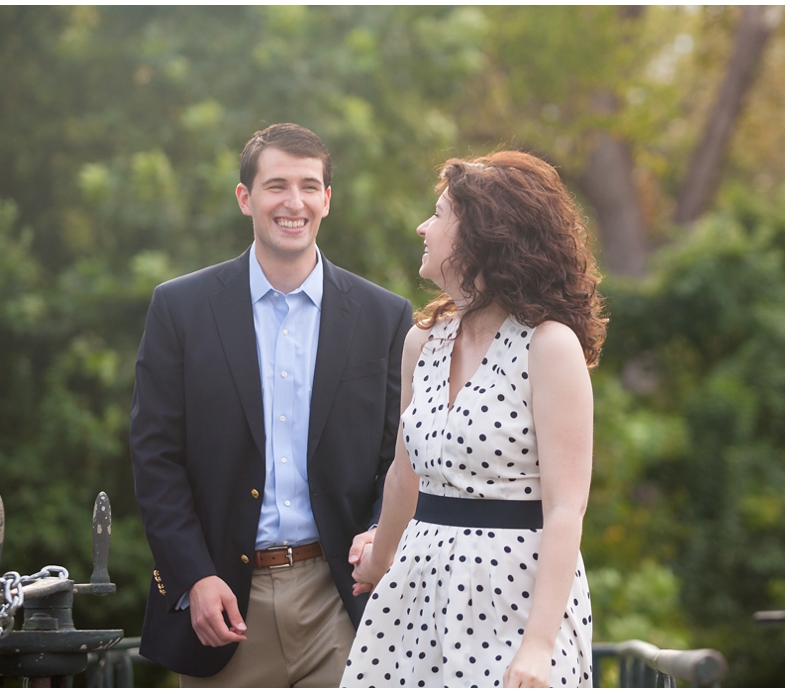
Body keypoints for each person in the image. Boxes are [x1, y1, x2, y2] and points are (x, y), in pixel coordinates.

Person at [130, 123, 413, 686]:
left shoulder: (386, 318)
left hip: (343, 599)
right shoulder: (180, 308)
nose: (294, 202)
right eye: (276, 185)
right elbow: (155, 456)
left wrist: (380, 537)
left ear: (327, 201)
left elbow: (401, 456)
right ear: (246, 198)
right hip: (226, 604)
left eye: (309, 186)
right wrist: (192, 577)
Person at [341, 151, 607, 688]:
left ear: (481, 236)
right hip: (415, 592)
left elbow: (565, 508)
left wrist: (537, 647)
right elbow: (404, 474)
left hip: (512, 597)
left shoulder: (549, 345)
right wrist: (380, 556)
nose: (423, 226)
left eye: (438, 215)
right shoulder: (424, 341)